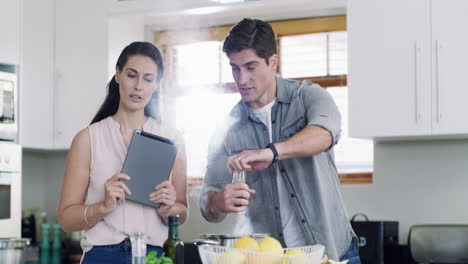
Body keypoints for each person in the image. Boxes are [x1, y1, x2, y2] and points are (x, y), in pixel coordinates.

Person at [199, 18, 360, 263]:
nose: (241, 79)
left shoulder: (308, 96)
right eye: (235, 68)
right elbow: (207, 204)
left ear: (272, 62)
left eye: (251, 67)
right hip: (271, 259)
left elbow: (326, 133)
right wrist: (219, 201)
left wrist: (270, 152)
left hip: (332, 252)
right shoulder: (228, 129)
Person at [57, 41, 187, 264]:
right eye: (131, 75)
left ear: (156, 84)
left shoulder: (172, 139)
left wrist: (169, 208)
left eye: (148, 79)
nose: (138, 86)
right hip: (102, 256)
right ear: (118, 75)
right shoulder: (87, 139)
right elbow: (66, 219)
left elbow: (182, 212)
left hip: (154, 256)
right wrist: (103, 207)